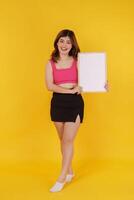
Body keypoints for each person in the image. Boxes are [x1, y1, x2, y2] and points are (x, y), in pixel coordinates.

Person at [45, 29, 108, 192]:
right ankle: (70, 170)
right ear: (57, 43)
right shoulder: (50, 63)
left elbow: (91, 77)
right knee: (62, 140)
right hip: (57, 103)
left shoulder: (78, 60)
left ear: (72, 44)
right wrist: (69, 90)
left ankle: (62, 177)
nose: (64, 45)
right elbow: (49, 86)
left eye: (68, 41)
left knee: (67, 140)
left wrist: (102, 84)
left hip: (75, 103)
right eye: (61, 41)